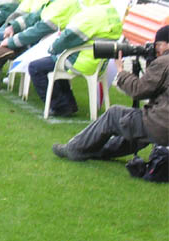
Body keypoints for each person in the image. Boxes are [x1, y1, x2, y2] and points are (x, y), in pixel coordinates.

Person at [53, 25, 169, 161]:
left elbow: (138, 90)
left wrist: (121, 71)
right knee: (136, 127)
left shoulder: (164, 62)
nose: (156, 49)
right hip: (163, 123)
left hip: (162, 124)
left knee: (114, 115)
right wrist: (151, 63)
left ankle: (73, 149)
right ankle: (98, 152)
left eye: (159, 45)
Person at [28, 0, 123, 117]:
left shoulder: (91, 13)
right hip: (99, 62)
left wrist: (53, 48)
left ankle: (59, 106)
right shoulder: (113, 12)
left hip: (82, 61)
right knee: (56, 63)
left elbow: (69, 37)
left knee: (36, 67)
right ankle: (69, 104)